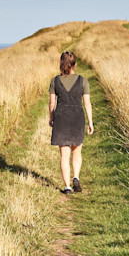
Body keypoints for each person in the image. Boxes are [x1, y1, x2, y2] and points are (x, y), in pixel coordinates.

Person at [49, 51, 94, 195]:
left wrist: (51, 118)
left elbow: (51, 104)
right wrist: (90, 122)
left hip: (61, 118)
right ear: (75, 64)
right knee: (77, 151)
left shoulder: (55, 81)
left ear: (61, 64)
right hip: (77, 118)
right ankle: (76, 177)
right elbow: (87, 103)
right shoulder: (83, 81)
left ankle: (67, 187)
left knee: (64, 155)